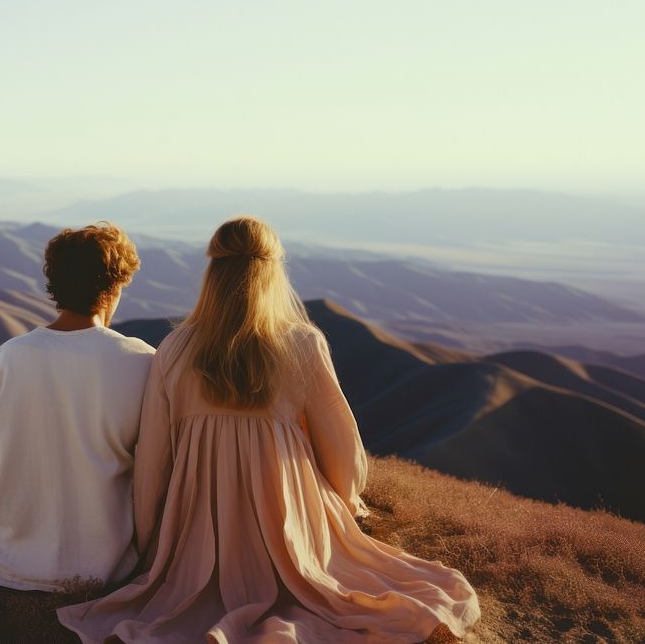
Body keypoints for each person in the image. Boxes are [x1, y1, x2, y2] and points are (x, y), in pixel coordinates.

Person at [57, 217, 480, 643]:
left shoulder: (175, 349)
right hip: (291, 523)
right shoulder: (302, 343)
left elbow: (152, 459)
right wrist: (345, 503)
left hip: (201, 536)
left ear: (213, 273)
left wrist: (150, 543)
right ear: (271, 273)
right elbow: (341, 446)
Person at [0, 222, 156, 592]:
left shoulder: (7, 358)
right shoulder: (142, 361)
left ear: (55, 284)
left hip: (8, 562)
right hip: (110, 565)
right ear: (115, 287)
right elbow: (156, 471)